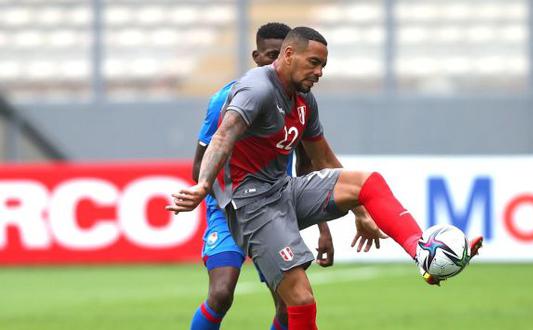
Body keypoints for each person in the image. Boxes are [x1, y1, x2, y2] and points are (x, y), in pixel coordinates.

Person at [168, 27, 481, 329]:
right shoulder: (256, 89)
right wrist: (204, 185)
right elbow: (224, 135)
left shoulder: (303, 99)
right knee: (297, 299)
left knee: (367, 182)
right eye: (314, 63)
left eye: (323, 66)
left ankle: (421, 251)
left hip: (281, 189)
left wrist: (361, 212)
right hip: (250, 202)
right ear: (288, 55)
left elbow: (323, 160)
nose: (319, 72)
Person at [189, 23, 352, 330]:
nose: (275, 61)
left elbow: (309, 167)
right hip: (228, 208)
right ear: (257, 55)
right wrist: (223, 199)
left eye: (280, 54)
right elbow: (200, 165)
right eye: (270, 55)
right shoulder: (227, 100)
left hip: (273, 207)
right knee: (222, 293)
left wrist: (323, 229)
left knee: (289, 307)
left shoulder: (298, 102)